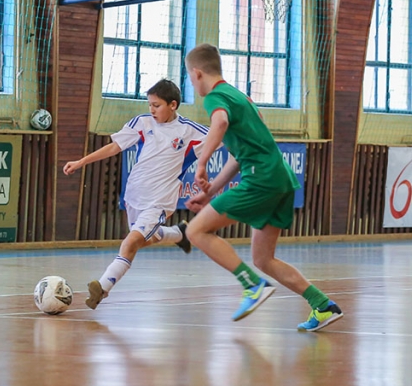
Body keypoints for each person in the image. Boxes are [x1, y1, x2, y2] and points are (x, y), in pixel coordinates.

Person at [182, 43, 343, 331]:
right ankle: (323, 305)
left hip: (261, 179)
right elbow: (237, 156)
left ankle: (252, 286)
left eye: (190, 79)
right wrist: (210, 191)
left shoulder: (216, 97)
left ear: (196, 73)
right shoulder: (239, 97)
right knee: (263, 258)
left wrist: (202, 162)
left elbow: (220, 122)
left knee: (195, 231)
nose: (193, 85)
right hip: (281, 179)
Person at [63, 79, 207, 309]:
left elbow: (222, 136)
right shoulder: (142, 122)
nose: (152, 109)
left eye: (156, 105)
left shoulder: (190, 131)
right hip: (134, 195)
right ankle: (179, 234)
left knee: (131, 242)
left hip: (159, 202)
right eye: (150, 104)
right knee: (144, 239)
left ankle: (103, 287)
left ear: (173, 105)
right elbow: (114, 146)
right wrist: (81, 162)